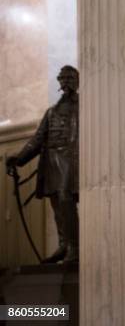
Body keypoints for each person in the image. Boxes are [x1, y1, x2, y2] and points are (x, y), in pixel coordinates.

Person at [6, 65, 80, 263]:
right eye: (62, 78)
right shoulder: (51, 112)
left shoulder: (84, 107)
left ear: (77, 81)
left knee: (66, 200)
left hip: (71, 160)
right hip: (51, 162)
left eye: (70, 78)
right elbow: (37, 140)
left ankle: (75, 246)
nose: (65, 82)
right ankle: (64, 244)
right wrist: (19, 158)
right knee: (57, 203)